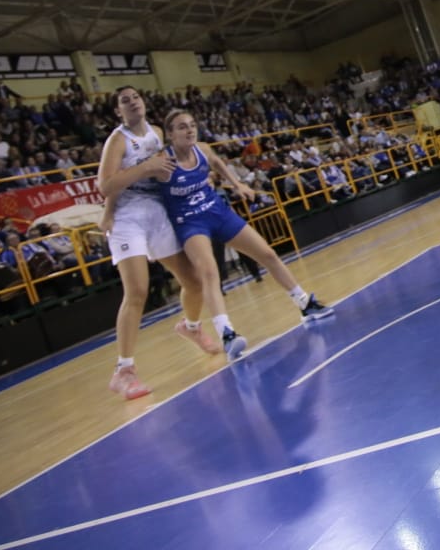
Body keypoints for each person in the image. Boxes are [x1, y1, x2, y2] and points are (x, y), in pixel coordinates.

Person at [157, 109, 334, 361]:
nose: (189, 130)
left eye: (192, 124)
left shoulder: (203, 149)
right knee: (209, 273)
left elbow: (217, 162)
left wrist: (236, 183)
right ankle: (227, 333)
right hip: (190, 222)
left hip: (217, 211)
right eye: (182, 127)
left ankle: (305, 303)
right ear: (170, 134)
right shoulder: (162, 163)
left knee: (267, 253)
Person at [97, 86, 221, 401]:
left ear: (144, 101)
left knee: (193, 282)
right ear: (118, 111)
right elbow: (105, 185)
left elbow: (174, 164)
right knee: (137, 290)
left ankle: (191, 326)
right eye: (124, 100)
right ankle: (123, 371)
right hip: (128, 217)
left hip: (157, 211)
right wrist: (110, 211)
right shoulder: (118, 139)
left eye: (135, 96)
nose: (132, 101)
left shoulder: (155, 132)